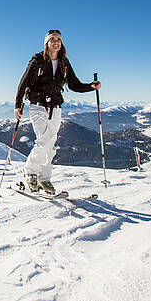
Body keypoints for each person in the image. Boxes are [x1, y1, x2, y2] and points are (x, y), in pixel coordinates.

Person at [14, 29, 101, 194]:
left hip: (55, 106)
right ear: (46, 43)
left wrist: (91, 86)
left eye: (58, 40)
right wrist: (17, 105)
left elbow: (74, 85)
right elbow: (23, 82)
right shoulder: (37, 61)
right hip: (37, 105)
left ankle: (44, 178)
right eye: (52, 39)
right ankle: (30, 171)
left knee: (51, 144)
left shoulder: (64, 63)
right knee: (44, 139)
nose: (56, 42)